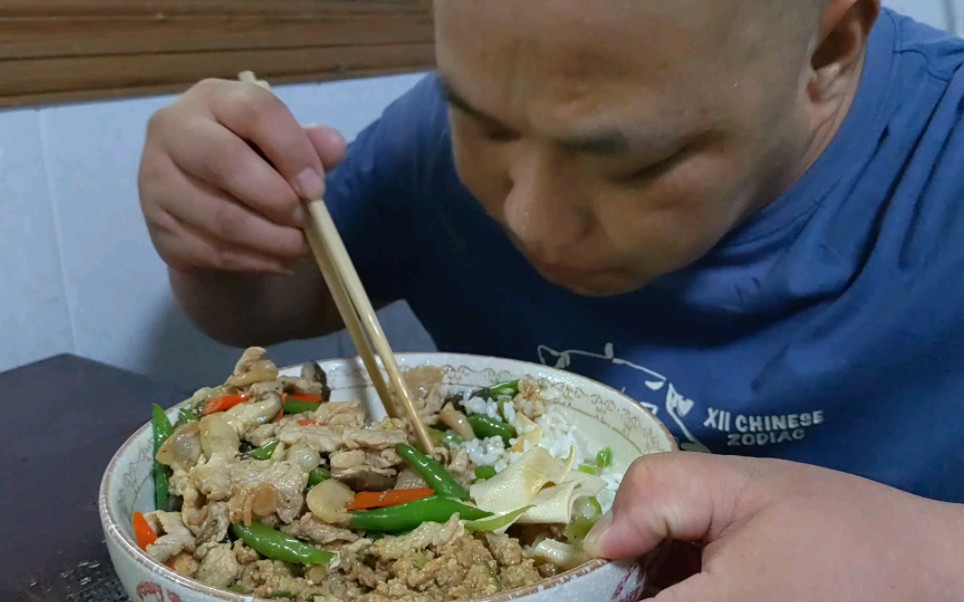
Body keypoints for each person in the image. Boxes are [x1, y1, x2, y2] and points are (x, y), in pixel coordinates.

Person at [138, 0, 964, 598]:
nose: (531, 219)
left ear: (829, 51)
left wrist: (931, 557)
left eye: (634, 163)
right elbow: (261, 315)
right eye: (487, 129)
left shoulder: (944, 152)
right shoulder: (432, 136)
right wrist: (215, 232)